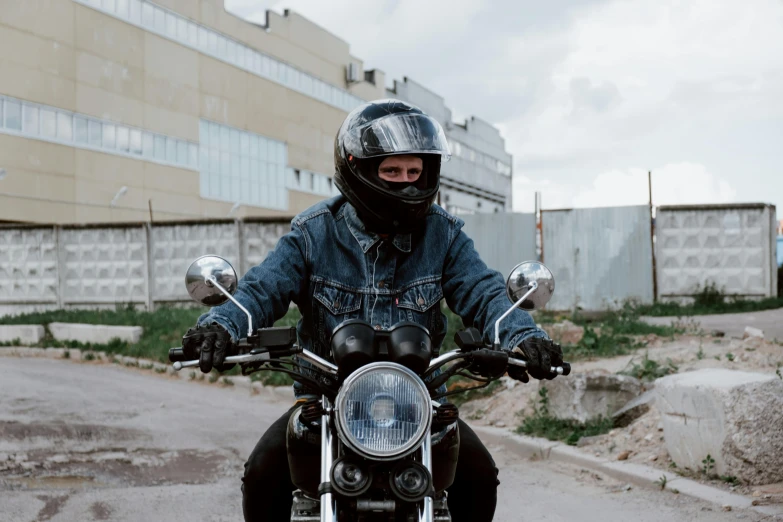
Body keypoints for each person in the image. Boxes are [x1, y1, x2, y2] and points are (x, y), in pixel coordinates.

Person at [182, 99, 564, 522]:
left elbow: (483, 291)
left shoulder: (443, 234)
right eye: (391, 172)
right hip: (325, 404)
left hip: (421, 406)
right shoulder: (313, 233)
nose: (406, 184)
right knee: (262, 475)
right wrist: (220, 325)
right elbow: (261, 289)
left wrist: (524, 336)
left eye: (414, 172)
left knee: (478, 476)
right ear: (358, 170)